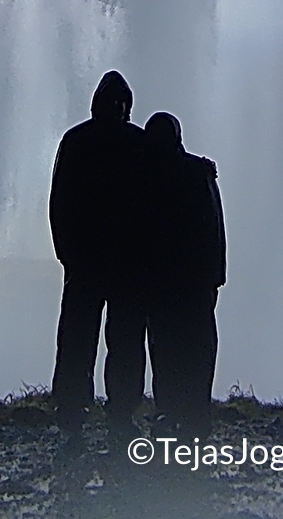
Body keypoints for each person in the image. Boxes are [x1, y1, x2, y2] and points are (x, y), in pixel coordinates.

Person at [49, 71, 148, 444]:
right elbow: (60, 202)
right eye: (114, 102)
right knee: (101, 339)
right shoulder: (125, 142)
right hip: (106, 262)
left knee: (98, 339)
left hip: (102, 262)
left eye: (122, 103)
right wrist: (68, 253)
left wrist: (68, 254)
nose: (118, 109)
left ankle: (90, 407)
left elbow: (59, 203)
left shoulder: (78, 141)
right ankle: (100, 407)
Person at [140, 110, 225, 438]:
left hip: (166, 283)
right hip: (192, 283)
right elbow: (214, 230)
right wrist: (215, 277)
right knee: (194, 348)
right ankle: (194, 412)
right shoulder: (196, 173)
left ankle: (171, 411)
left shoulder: (146, 176)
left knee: (165, 348)